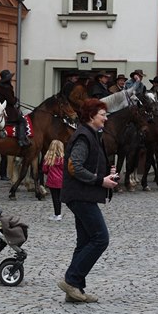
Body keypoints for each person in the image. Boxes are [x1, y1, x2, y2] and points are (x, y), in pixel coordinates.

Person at [57, 98, 118, 303]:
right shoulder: (84, 136)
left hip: (83, 194)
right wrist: (101, 180)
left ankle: (75, 290)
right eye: (103, 114)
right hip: (80, 196)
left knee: (84, 242)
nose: (106, 118)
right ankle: (71, 279)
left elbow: (89, 163)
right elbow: (75, 167)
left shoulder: (92, 134)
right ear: (92, 115)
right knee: (101, 238)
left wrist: (106, 172)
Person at [0, 69, 30, 147]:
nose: (11, 79)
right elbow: (11, 101)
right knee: (22, 121)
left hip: (0, 109)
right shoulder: (7, 88)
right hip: (8, 111)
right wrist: (16, 100)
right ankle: (21, 140)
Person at [42, 139, 64, 221]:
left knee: (55, 198)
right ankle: (59, 213)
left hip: (52, 182)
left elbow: (44, 169)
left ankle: (57, 214)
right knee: (60, 198)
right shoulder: (63, 159)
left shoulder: (48, 158)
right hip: (61, 181)